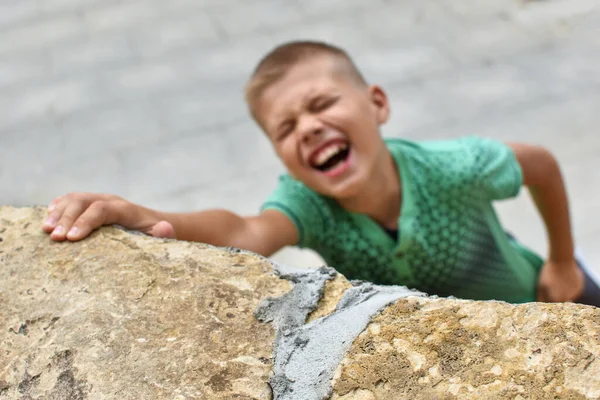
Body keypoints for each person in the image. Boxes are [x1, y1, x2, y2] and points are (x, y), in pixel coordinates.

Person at [42, 41, 600, 306]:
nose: (307, 128)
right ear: (281, 157)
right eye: (285, 128)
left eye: (321, 104)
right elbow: (243, 231)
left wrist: (558, 260)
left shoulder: (451, 167)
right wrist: (147, 216)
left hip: (544, 297)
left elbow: (541, 165)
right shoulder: (307, 203)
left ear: (377, 103)